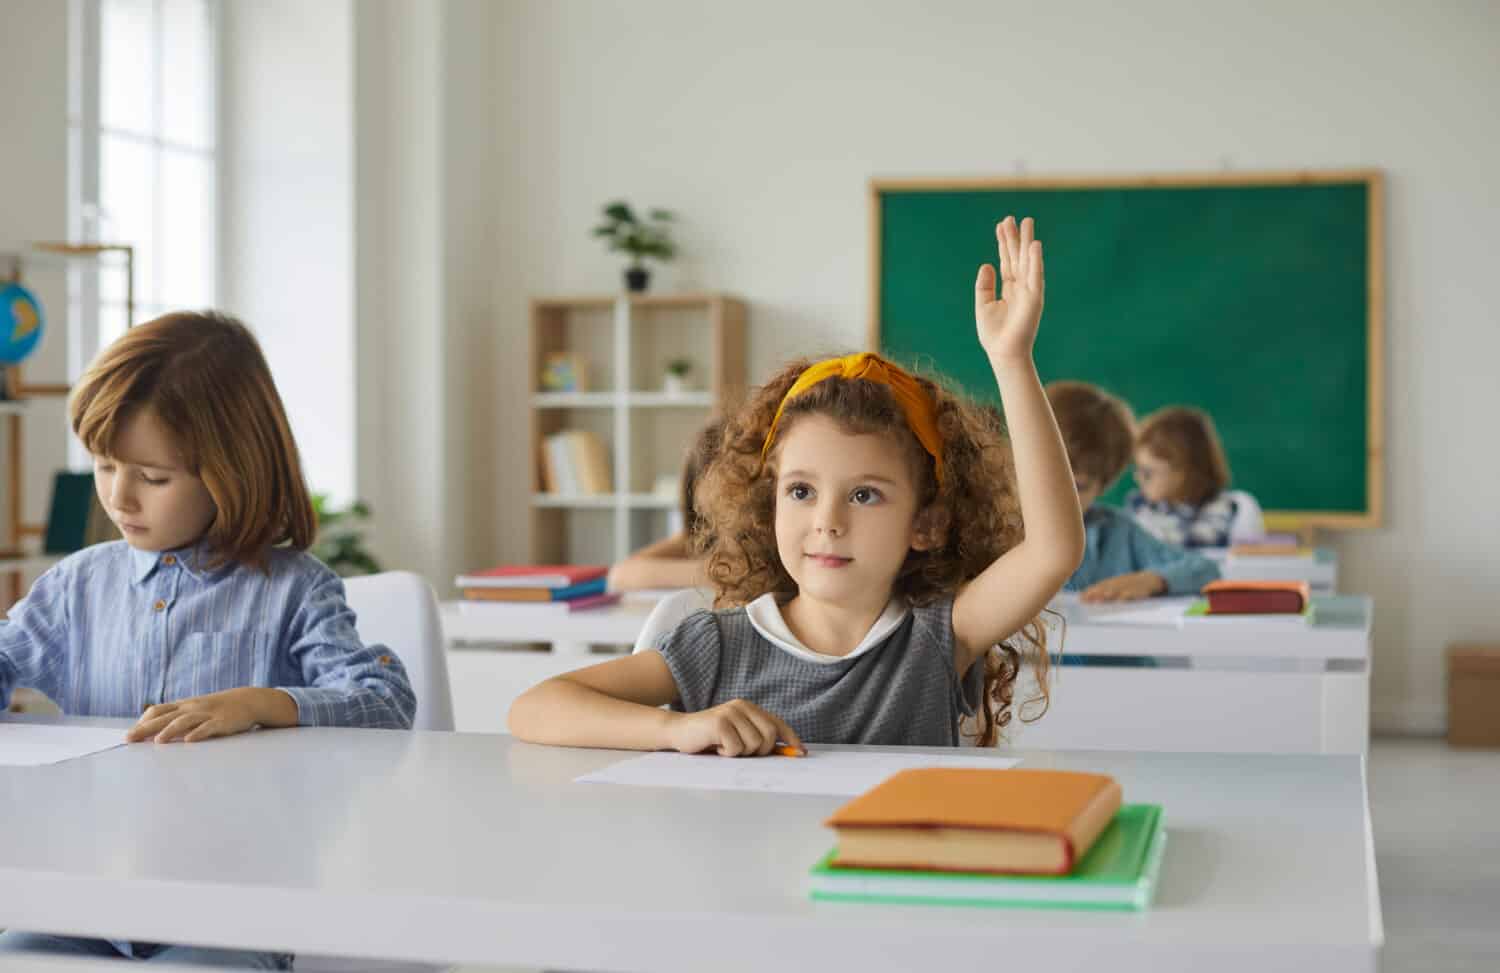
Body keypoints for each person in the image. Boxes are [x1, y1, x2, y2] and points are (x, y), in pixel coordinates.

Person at [510, 216, 1084, 751]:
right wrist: (675, 727)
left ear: (926, 523)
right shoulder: (716, 645)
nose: (826, 521)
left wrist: (1011, 361)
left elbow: (1053, 549)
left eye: (864, 494)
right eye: (801, 491)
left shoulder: (937, 638)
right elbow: (534, 709)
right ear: (770, 504)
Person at [0, 310, 415, 968]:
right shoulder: (75, 585)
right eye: (105, 466)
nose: (120, 497)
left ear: (231, 471)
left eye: (153, 477)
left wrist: (258, 703)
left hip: (234, 909)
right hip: (83, 896)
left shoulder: (294, 590)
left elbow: (386, 702)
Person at [1045, 381, 1219, 602]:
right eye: (1049, 479)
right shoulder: (999, 527)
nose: (1060, 498)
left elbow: (1204, 569)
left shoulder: (1116, 531)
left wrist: (1151, 580)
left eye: (1079, 487)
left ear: (1102, 486)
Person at [1126, 405, 1263, 547]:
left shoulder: (1234, 510)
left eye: (1148, 473)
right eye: (1137, 469)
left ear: (1184, 471)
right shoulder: (1138, 510)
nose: (1138, 478)